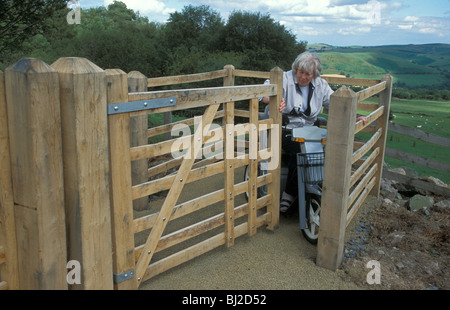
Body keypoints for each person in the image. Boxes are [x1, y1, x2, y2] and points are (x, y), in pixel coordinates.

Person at [261, 52, 367, 213]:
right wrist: (273, 98)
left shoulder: (321, 85)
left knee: (324, 151)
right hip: (282, 129)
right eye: (300, 72)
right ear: (296, 69)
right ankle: (289, 194)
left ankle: (317, 187)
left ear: (314, 74)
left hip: (308, 130)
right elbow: (263, 93)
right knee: (299, 151)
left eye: (307, 74)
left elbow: (335, 103)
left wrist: (355, 116)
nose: (303, 77)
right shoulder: (284, 78)